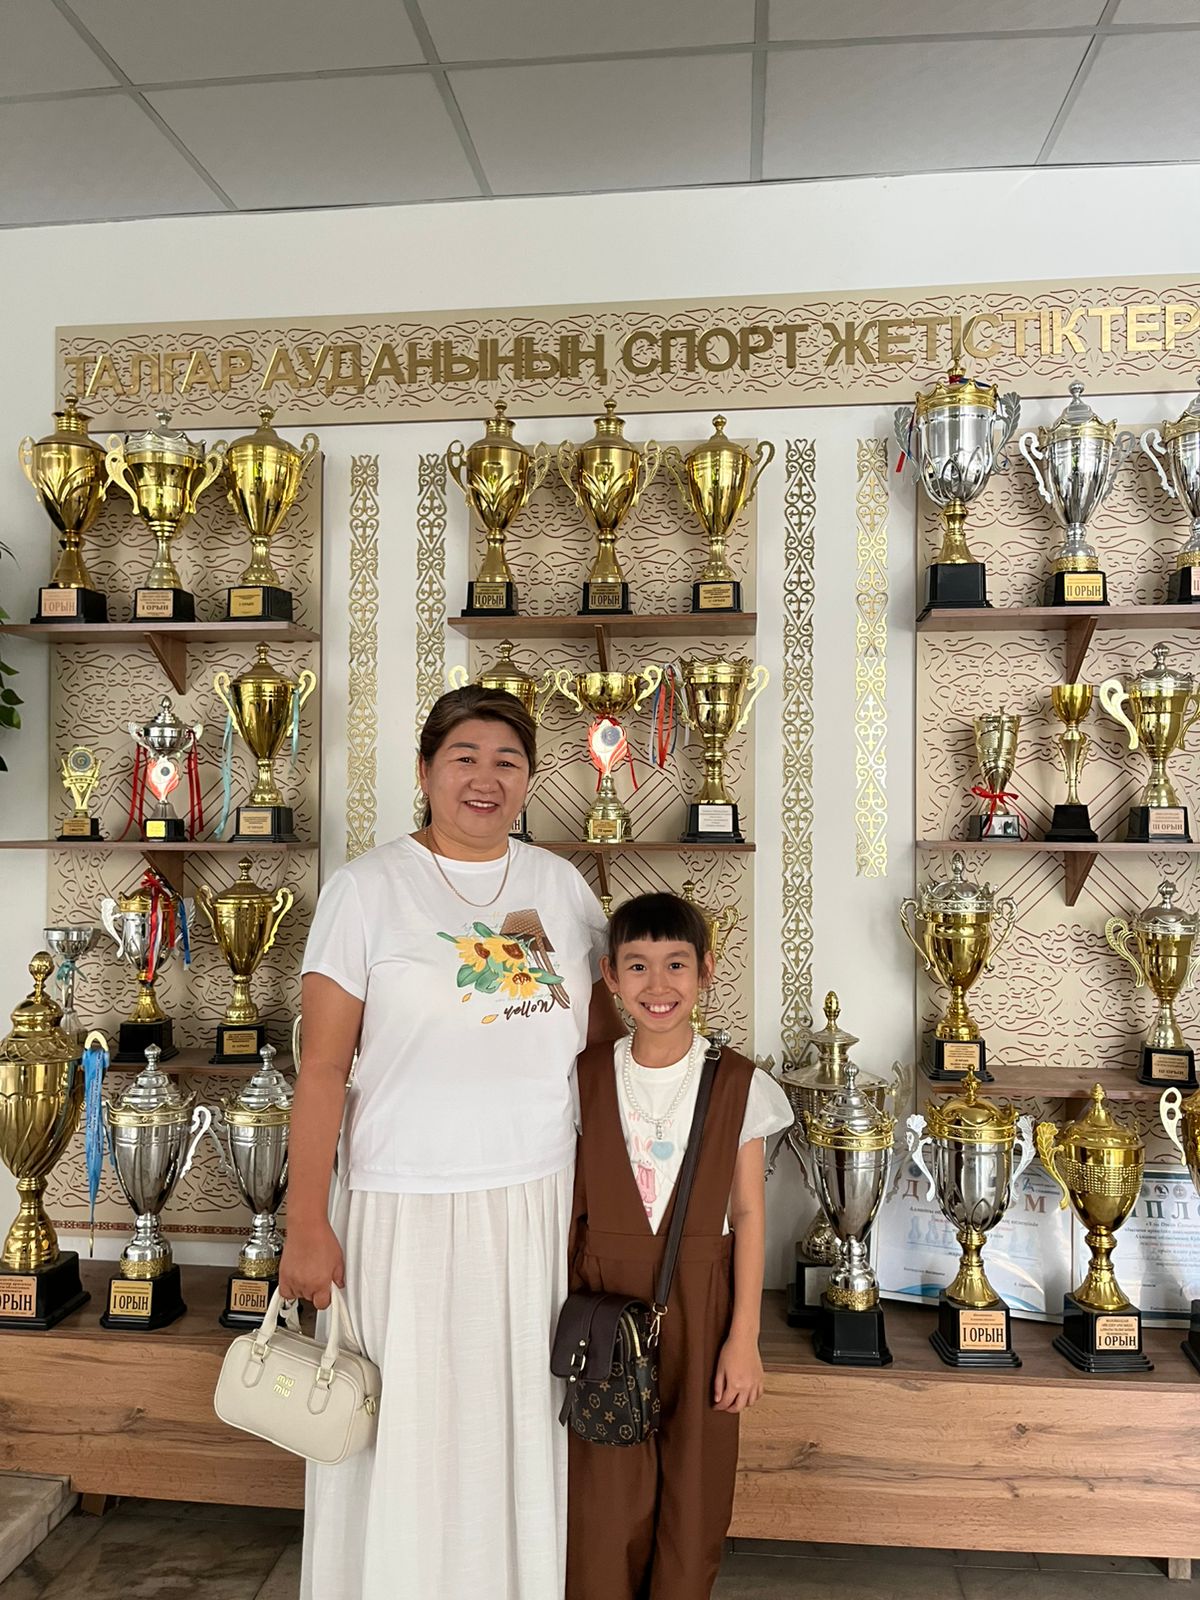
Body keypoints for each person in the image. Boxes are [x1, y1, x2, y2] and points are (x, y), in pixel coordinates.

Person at [283, 684, 620, 1600]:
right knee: (403, 1428)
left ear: (530, 780)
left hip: (533, 1201)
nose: (485, 778)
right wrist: (305, 1224)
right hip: (403, 1205)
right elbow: (323, 1070)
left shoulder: (559, 889)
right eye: (464, 757)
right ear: (426, 770)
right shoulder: (366, 890)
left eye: (507, 761)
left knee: (514, 1423)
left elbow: (596, 1055)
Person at [566, 891, 793, 1600]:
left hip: (702, 1303)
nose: (657, 984)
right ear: (610, 975)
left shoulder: (739, 1084)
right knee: (602, 1505)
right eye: (637, 966)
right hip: (603, 1305)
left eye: (675, 964)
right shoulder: (584, 1077)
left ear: (706, 971)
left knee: (695, 1500)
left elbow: (748, 1214)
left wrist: (744, 1339)